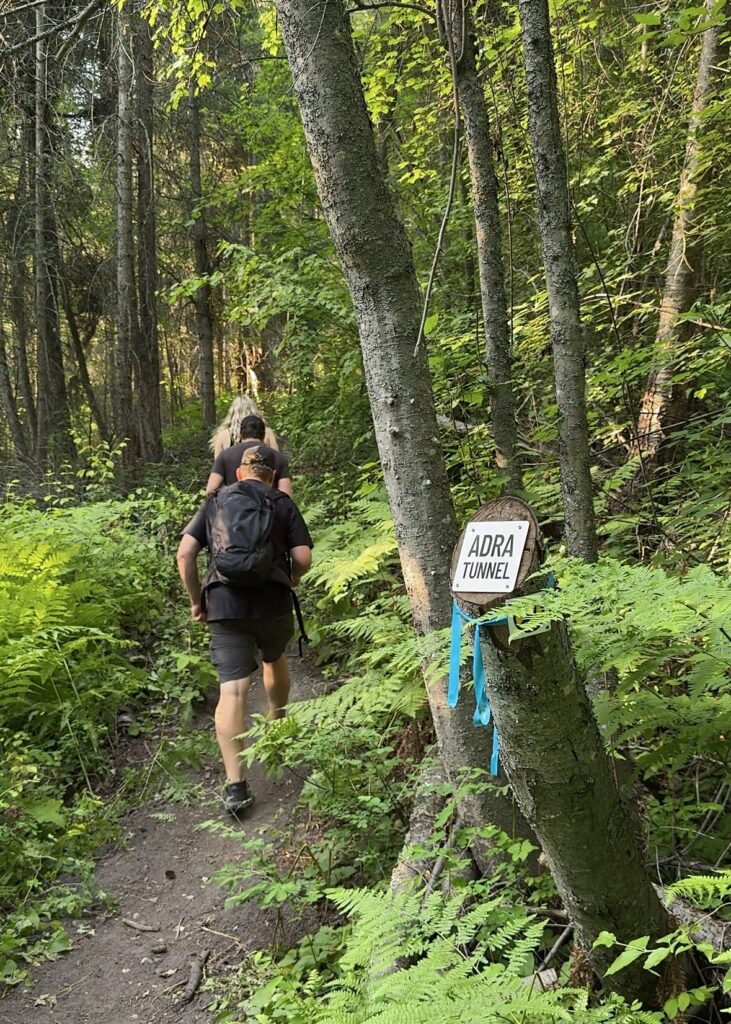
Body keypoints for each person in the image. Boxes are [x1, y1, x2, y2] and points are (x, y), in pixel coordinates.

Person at [177, 445, 313, 814]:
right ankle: (277, 720)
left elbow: (185, 553)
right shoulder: (282, 502)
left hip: (224, 603)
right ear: (272, 475)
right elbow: (303, 557)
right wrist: (292, 578)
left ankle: (236, 785)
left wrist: (196, 600)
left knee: (233, 691)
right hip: (272, 601)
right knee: (274, 657)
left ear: (240, 473)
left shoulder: (216, 500)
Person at [206, 414, 293, 498]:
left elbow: (211, 491)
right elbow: (286, 495)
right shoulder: (278, 457)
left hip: (233, 508)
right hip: (268, 510)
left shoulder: (225, 455)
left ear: (241, 434)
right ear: (264, 435)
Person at [210, 395, 279, 457]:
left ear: (233, 412)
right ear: (254, 410)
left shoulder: (223, 435)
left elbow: (218, 464)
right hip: (261, 470)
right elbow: (277, 458)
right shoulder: (267, 432)